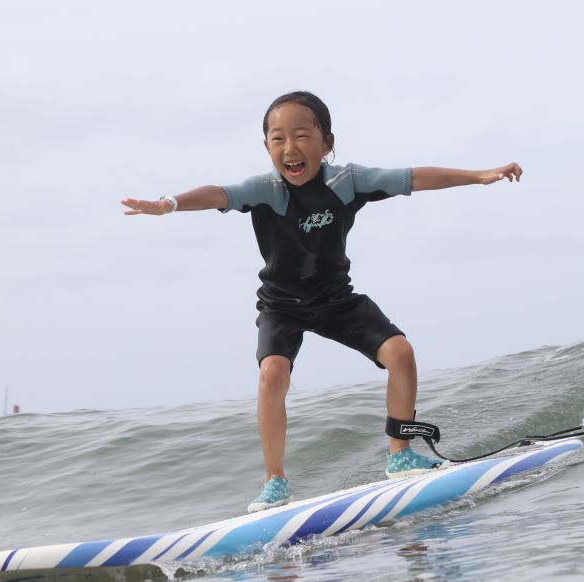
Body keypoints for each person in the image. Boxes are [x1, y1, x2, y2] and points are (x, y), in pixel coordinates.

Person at [122, 91, 522, 513]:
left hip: (335, 298)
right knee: (271, 375)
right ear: (266, 148)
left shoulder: (345, 182)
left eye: (301, 135)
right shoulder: (266, 190)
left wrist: (480, 175)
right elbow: (218, 194)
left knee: (399, 352)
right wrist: (170, 204)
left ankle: (400, 454)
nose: (290, 148)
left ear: (327, 143)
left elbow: (414, 177)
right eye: (278, 138)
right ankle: (274, 481)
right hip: (281, 305)